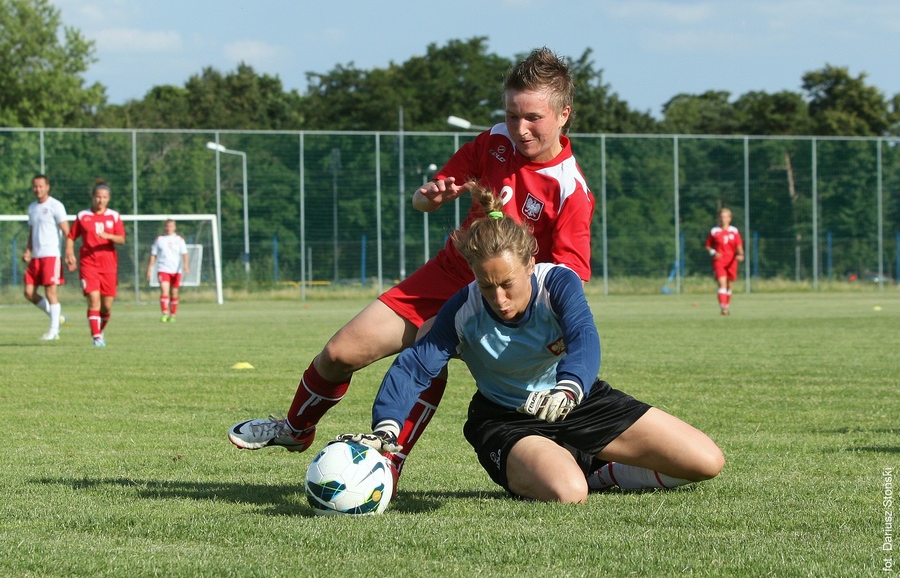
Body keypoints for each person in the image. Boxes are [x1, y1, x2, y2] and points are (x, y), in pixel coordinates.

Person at [228, 47, 596, 481]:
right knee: (339, 353)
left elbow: (566, 281)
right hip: (445, 275)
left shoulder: (569, 190)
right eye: (512, 115)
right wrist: (431, 196)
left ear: (563, 114)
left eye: (533, 117)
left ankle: (387, 465)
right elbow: (425, 199)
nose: (520, 127)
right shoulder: (495, 141)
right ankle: (295, 429)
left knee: (427, 351)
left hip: (498, 304)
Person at [338, 184, 724, 502]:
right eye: (486, 286)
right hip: (506, 421)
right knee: (569, 492)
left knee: (706, 462)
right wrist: (386, 428)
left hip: (573, 400)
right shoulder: (462, 308)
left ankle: (601, 472)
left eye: (507, 284)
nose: (499, 298)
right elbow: (415, 367)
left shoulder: (556, 284)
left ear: (529, 264)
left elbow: (584, 337)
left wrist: (569, 389)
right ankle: (569, 469)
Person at [65, 179, 126, 347]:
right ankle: (97, 336)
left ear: (109, 199)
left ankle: (99, 330)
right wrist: (69, 253)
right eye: (98, 197)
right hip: (88, 264)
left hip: (108, 266)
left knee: (106, 307)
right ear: (92, 197)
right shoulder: (83, 216)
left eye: (104, 197)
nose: (101, 200)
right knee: (93, 299)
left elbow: (121, 239)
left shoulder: (114, 216)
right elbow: (71, 237)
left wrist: (109, 236)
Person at [23, 174, 70, 341]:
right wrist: (28, 250)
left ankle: (54, 331)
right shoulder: (32, 208)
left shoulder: (55, 205)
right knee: (28, 292)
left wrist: (69, 253)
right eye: (35, 186)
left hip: (51, 255)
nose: (38, 189)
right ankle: (57, 318)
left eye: (41, 186)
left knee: (51, 293)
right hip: (36, 257)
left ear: (47, 187)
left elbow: (67, 232)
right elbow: (32, 232)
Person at [146, 219, 190, 323]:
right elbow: (153, 255)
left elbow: (184, 254)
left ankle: (173, 315)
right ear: (165, 227)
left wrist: (186, 265)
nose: (169, 228)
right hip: (163, 269)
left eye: (171, 226)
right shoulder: (159, 239)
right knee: (164, 290)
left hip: (176, 270)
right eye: (167, 226)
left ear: (174, 227)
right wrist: (149, 268)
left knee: (174, 293)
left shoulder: (179, 239)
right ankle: (164, 314)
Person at [704, 208, 744, 315]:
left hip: (732, 261)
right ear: (718, 218)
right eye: (721, 217)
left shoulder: (734, 231)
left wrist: (741, 254)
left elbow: (739, 245)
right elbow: (707, 245)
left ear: (730, 218)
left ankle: (726, 305)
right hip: (719, 260)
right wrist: (713, 252)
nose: (723, 219)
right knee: (722, 283)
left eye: (726, 217)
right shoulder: (714, 231)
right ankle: (724, 308)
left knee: (729, 285)